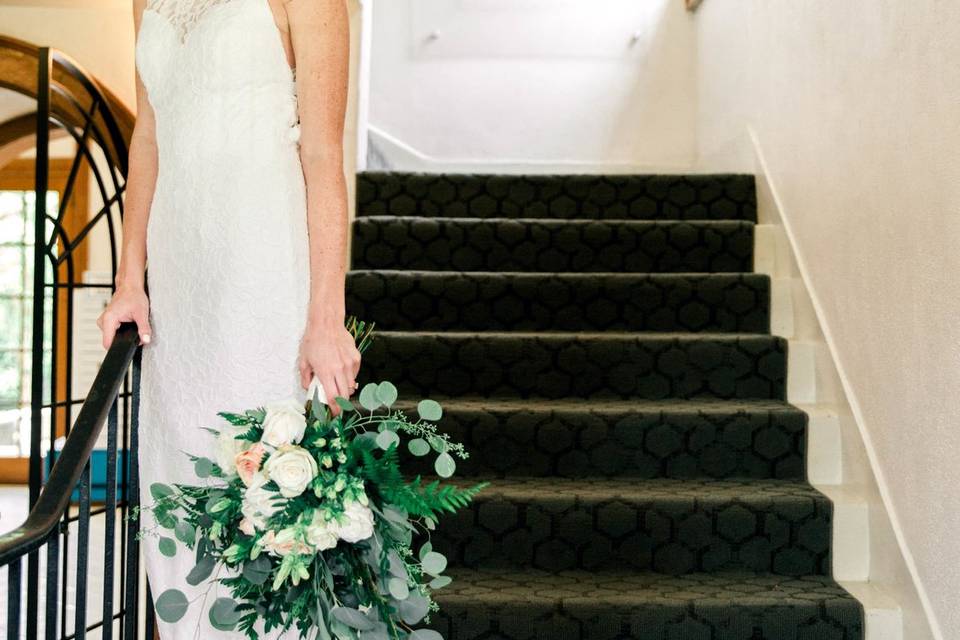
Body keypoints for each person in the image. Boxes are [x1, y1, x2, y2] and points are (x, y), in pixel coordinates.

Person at [96, 0, 358, 637]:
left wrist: (326, 316)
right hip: (183, 298)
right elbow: (149, 135)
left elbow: (324, 156)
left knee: (265, 515)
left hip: (263, 278)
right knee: (180, 502)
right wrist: (130, 278)